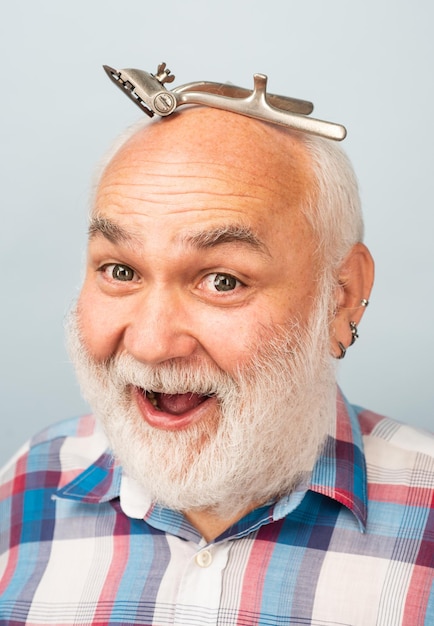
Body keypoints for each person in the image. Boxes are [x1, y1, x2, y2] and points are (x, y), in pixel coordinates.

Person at [0, 64, 433, 626]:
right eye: (120, 270)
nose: (153, 346)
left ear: (342, 297)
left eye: (223, 281)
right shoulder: (29, 484)